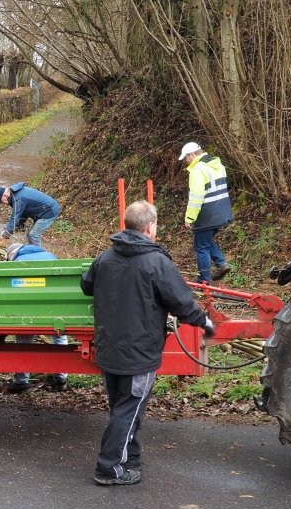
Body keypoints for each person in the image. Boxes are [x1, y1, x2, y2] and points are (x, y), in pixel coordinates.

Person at [80, 201, 214, 486]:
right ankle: (109, 469)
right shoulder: (156, 262)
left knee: (122, 409)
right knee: (128, 411)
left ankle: (130, 457)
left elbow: (86, 285)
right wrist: (204, 320)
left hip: (108, 349)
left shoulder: (106, 257)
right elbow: (182, 304)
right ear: (150, 227)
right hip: (138, 354)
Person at [5, 243, 68, 393]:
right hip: (55, 307)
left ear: (12, 254)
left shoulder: (17, 262)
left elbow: (14, 289)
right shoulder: (51, 256)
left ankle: (21, 382)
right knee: (59, 337)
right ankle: (61, 379)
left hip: (29, 309)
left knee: (24, 341)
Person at [178, 142, 233, 284]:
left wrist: (189, 218)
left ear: (192, 154)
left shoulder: (197, 169)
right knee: (205, 240)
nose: (186, 161)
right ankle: (221, 264)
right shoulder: (218, 165)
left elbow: (196, 197)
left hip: (208, 213)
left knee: (201, 247)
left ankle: (204, 281)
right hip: (223, 211)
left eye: (186, 158)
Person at [0, 182, 60, 246]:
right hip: (43, 210)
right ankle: (31, 251)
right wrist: (20, 224)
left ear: (4, 196)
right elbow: (23, 211)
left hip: (49, 211)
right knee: (29, 235)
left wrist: (5, 235)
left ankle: (39, 253)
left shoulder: (18, 198)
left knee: (33, 235)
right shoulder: (15, 193)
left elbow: (14, 218)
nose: (4, 203)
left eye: (1, 201)